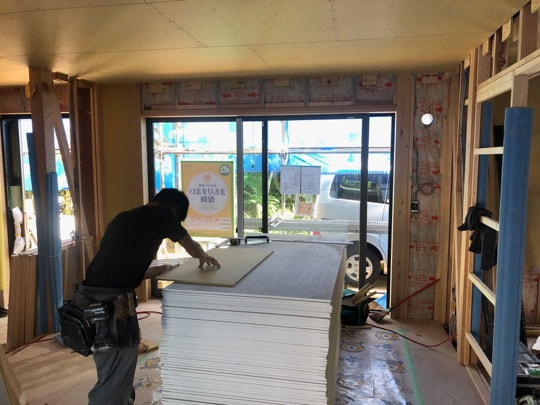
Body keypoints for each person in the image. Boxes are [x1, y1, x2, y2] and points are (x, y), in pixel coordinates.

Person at [71, 188, 220, 405]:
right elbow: (190, 245)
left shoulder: (124, 217)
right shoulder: (163, 215)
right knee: (116, 370)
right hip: (111, 307)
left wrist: (156, 271)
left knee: (110, 366)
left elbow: (117, 268)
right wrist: (204, 256)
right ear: (175, 210)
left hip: (89, 300)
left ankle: (122, 398)